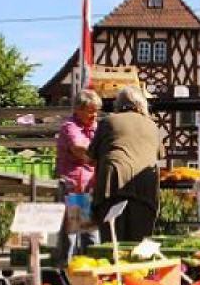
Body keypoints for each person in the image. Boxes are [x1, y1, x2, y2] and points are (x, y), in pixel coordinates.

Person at [89, 86, 164, 243]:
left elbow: (91, 156)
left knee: (112, 239)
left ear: (118, 104)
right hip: (144, 185)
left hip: (113, 182)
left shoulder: (108, 121)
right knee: (139, 241)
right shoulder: (152, 126)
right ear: (142, 105)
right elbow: (160, 154)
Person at [55, 89, 101, 262]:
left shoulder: (95, 127)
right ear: (78, 110)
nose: (94, 115)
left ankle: (92, 271)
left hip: (90, 187)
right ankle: (65, 271)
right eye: (90, 111)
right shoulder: (70, 127)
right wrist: (100, 153)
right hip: (74, 187)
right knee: (71, 235)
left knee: (91, 235)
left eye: (96, 111)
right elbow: (80, 149)